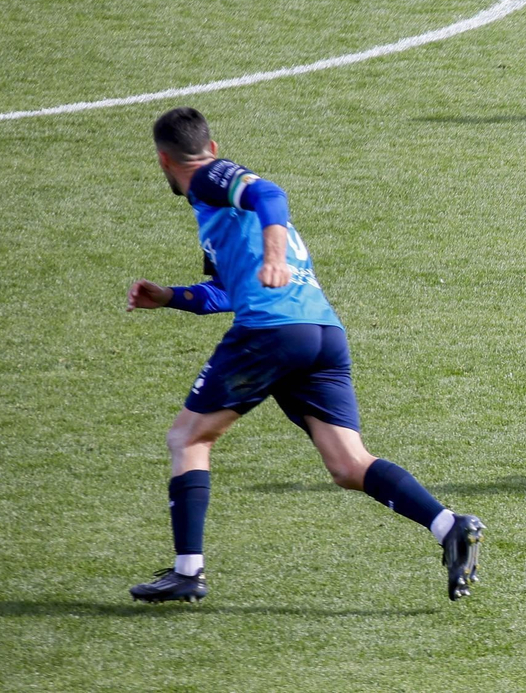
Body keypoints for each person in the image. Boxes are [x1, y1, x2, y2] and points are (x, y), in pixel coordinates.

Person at [126, 107, 483, 603]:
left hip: (271, 332)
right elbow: (224, 293)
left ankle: (188, 571)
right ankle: (449, 526)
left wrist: (273, 255)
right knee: (347, 464)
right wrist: (170, 297)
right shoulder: (216, 215)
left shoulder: (209, 176)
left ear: (165, 159)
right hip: (320, 334)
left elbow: (269, 193)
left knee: (187, 437)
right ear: (208, 143)